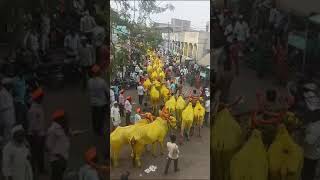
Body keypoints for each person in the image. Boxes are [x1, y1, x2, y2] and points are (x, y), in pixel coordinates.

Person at [46, 110, 70, 180]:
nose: (66, 119)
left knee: (59, 177)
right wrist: (58, 155)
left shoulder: (62, 127)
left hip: (63, 158)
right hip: (57, 160)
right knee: (56, 177)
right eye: (64, 118)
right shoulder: (52, 130)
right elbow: (48, 147)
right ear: (59, 119)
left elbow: (65, 137)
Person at [27, 88, 46, 175]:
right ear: (38, 98)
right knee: (35, 154)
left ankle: (41, 169)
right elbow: (33, 126)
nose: (43, 99)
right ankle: (33, 172)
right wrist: (37, 137)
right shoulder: (33, 110)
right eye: (41, 97)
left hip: (40, 134)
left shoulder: (38, 106)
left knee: (40, 153)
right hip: (35, 136)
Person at [88, 65, 108, 136]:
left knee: (94, 116)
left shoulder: (89, 81)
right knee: (101, 118)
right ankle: (100, 130)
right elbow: (107, 91)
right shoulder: (102, 82)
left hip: (93, 103)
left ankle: (95, 129)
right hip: (102, 103)